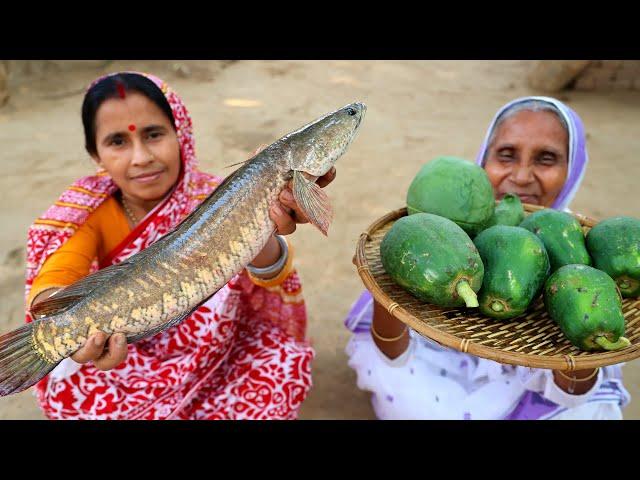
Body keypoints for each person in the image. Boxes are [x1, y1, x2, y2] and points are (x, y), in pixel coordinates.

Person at [25, 71, 336, 420]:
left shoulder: (218, 195)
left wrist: (260, 227)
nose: (141, 157)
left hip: (218, 353)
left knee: (277, 371)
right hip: (123, 363)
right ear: (94, 154)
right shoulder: (86, 214)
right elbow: (57, 277)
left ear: (181, 133)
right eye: (117, 142)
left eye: (154, 134)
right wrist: (60, 323)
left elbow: (273, 275)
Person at [345, 96, 630, 420]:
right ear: (484, 159)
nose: (522, 176)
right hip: (439, 371)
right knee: (406, 395)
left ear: (573, 166)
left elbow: (571, 390)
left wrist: (581, 336)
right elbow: (391, 350)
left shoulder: (580, 255)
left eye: (546, 158)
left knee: (589, 413)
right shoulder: (443, 233)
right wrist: (396, 273)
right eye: (506, 155)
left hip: (537, 385)